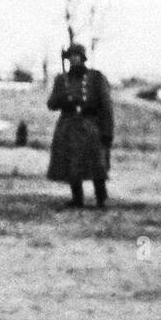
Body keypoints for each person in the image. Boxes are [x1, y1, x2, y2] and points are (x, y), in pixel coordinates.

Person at [46, 43, 114, 209]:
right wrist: (63, 99)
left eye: (77, 55)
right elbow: (51, 104)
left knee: (96, 162)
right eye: (71, 56)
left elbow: (106, 105)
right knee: (71, 163)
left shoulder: (96, 77)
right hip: (68, 125)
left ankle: (101, 198)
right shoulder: (61, 79)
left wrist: (107, 131)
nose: (74, 58)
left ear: (83, 58)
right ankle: (77, 198)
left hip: (90, 125)